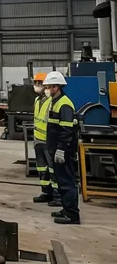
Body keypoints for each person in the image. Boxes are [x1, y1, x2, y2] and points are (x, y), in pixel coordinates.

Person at [43, 71, 80, 224]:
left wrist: (61, 149)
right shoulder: (55, 101)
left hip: (63, 150)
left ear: (56, 87)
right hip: (56, 148)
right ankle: (66, 208)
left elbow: (66, 130)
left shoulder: (64, 104)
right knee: (61, 179)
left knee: (67, 182)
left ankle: (72, 215)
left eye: (49, 86)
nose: (47, 89)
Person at [31, 72, 56, 204]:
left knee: (53, 169)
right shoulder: (37, 100)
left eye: (39, 83)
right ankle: (46, 192)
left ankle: (57, 196)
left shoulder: (51, 101)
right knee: (42, 168)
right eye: (35, 83)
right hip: (38, 139)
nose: (37, 85)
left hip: (48, 140)